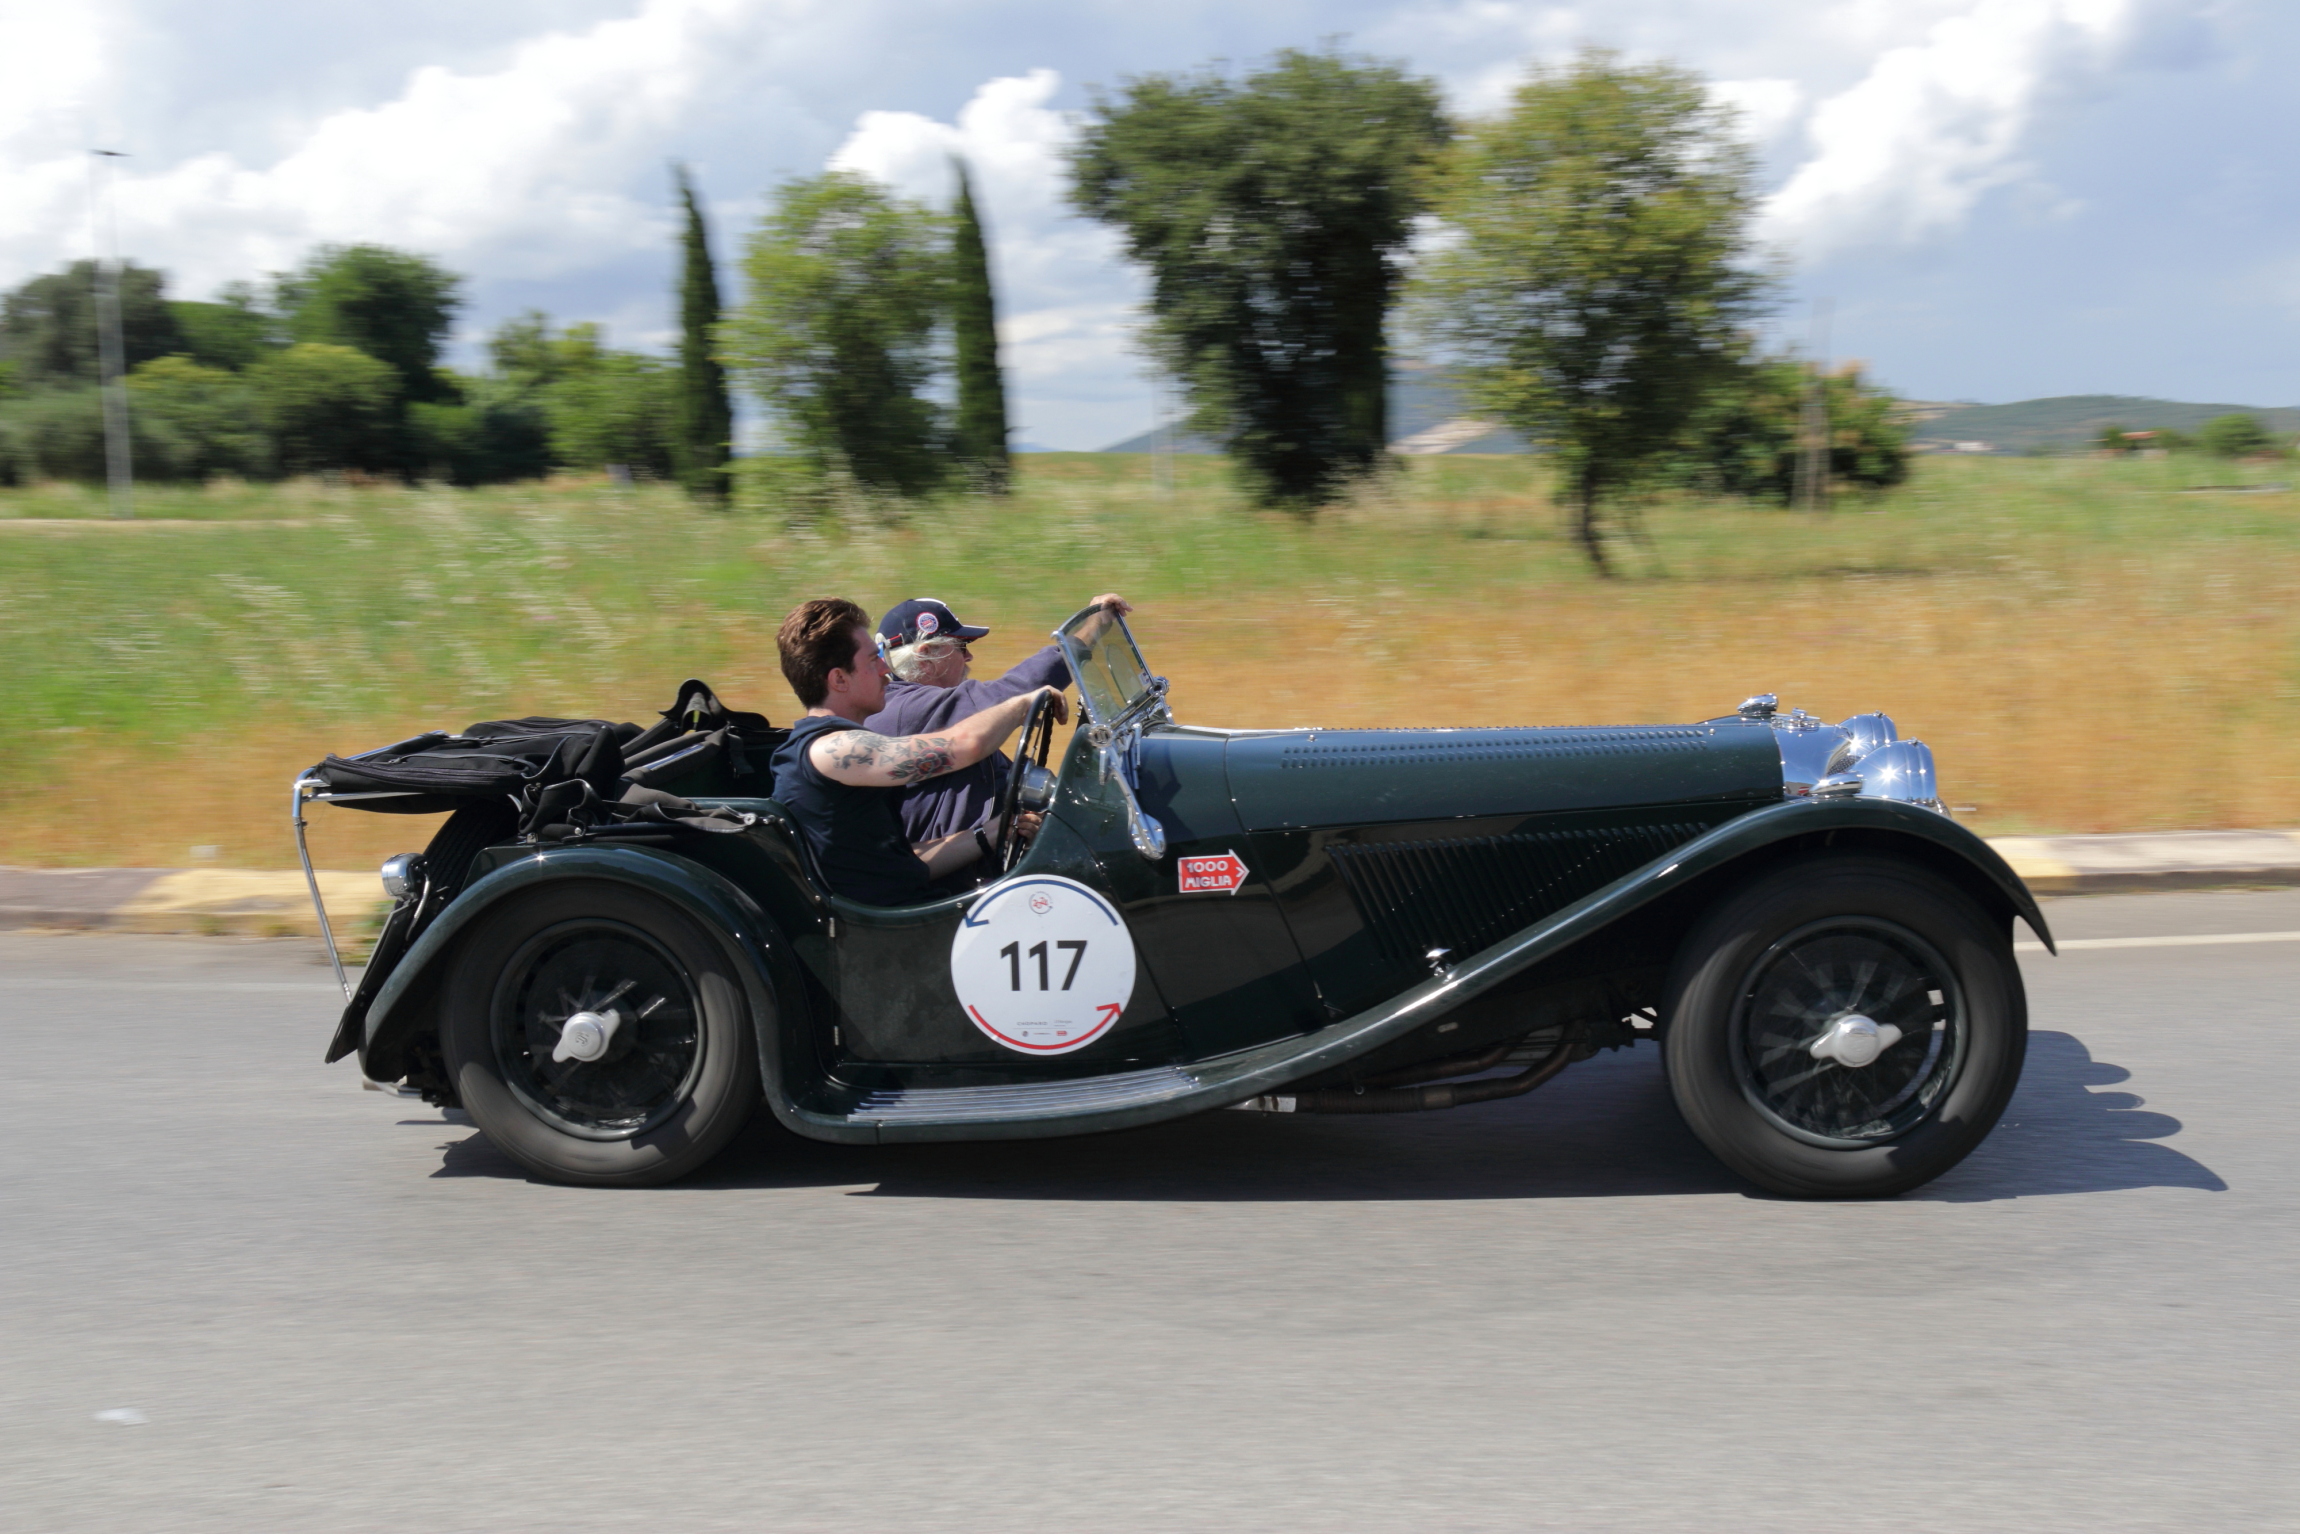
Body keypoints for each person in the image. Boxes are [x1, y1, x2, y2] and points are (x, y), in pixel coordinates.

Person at [769, 598, 1066, 906]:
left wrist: (991, 833)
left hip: (907, 914)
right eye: (873, 661)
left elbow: (905, 864)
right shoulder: (833, 750)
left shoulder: (840, 748)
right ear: (839, 679)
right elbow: (963, 745)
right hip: (889, 931)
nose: (886, 668)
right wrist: (1022, 703)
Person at [865, 593, 1131, 844]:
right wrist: (1091, 628)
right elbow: (1014, 690)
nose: (969, 656)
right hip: (949, 878)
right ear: (925, 658)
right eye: (961, 646)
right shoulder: (904, 709)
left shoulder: (930, 712)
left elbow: (1005, 775)